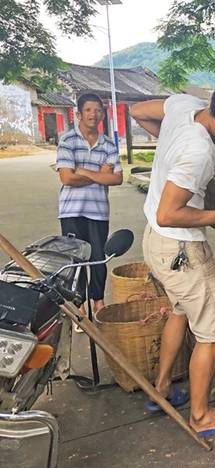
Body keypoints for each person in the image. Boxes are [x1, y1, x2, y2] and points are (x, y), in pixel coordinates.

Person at [130, 77, 215, 437]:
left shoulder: (183, 105)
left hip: (156, 242)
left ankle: (161, 389)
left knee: (180, 309)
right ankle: (201, 415)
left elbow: (137, 110)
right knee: (209, 333)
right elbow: (168, 213)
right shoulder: (199, 153)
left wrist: (167, 149)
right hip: (180, 245)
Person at [56, 92, 123, 314]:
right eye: (88, 110)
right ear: (79, 114)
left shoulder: (108, 144)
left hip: (98, 211)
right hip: (71, 210)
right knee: (74, 260)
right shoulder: (67, 140)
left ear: (103, 114)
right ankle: (78, 305)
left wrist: (82, 171)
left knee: (97, 259)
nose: (93, 114)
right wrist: (98, 173)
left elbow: (117, 178)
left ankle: (98, 301)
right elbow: (66, 178)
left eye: (97, 110)